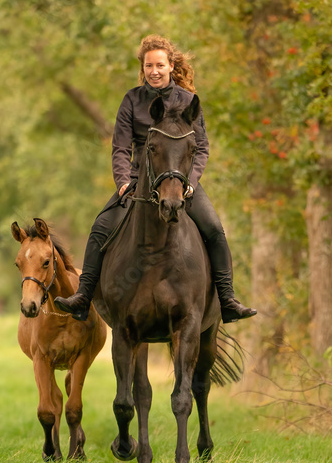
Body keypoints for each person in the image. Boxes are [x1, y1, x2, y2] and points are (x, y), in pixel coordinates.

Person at [55, 34, 257, 324]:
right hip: (139, 182)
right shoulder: (131, 100)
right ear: (143, 68)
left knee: (214, 229)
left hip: (182, 184)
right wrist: (123, 181)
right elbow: (121, 146)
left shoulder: (189, 102)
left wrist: (192, 183)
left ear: (171, 65)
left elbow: (201, 148)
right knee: (100, 227)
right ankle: (83, 297)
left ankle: (227, 299)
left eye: (160, 65)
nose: (154, 71)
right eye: (149, 66)